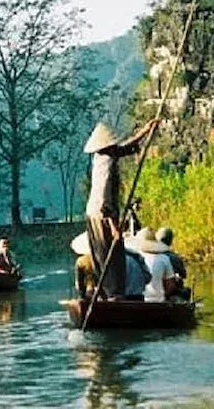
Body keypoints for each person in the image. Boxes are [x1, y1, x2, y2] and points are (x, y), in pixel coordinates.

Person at [84, 119, 160, 299]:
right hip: (102, 215)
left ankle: (105, 293)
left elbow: (125, 148)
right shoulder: (107, 164)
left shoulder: (101, 156)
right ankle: (114, 295)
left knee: (102, 257)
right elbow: (105, 196)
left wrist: (145, 130)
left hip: (93, 213)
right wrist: (113, 226)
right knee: (112, 257)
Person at [126, 227, 176, 302]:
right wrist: (164, 295)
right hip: (158, 301)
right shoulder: (164, 259)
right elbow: (171, 286)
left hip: (138, 300)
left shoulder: (133, 259)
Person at [156, 226, 191, 300]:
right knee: (186, 291)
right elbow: (183, 275)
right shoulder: (175, 258)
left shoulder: (153, 256)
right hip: (172, 292)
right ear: (170, 241)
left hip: (157, 292)